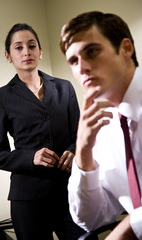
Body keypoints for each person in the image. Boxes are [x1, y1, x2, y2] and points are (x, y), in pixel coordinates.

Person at [0, 23, 86, 240]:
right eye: (18, 47)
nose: (26, 52)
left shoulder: (64, 87)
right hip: (28, 199)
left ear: (40, 52)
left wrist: (73, 151)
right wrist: (31, 157)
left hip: (70, 192)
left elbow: (80, 136)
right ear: (8, 55)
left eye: (32, 46)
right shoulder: (0, 97)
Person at [60, 11, 142, 240]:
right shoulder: (102, 128)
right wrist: (83, 151)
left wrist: (127, 230)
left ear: (126, 49)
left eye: (91, 51)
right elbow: (91, 219)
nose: (82, 67)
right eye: (73, 61)